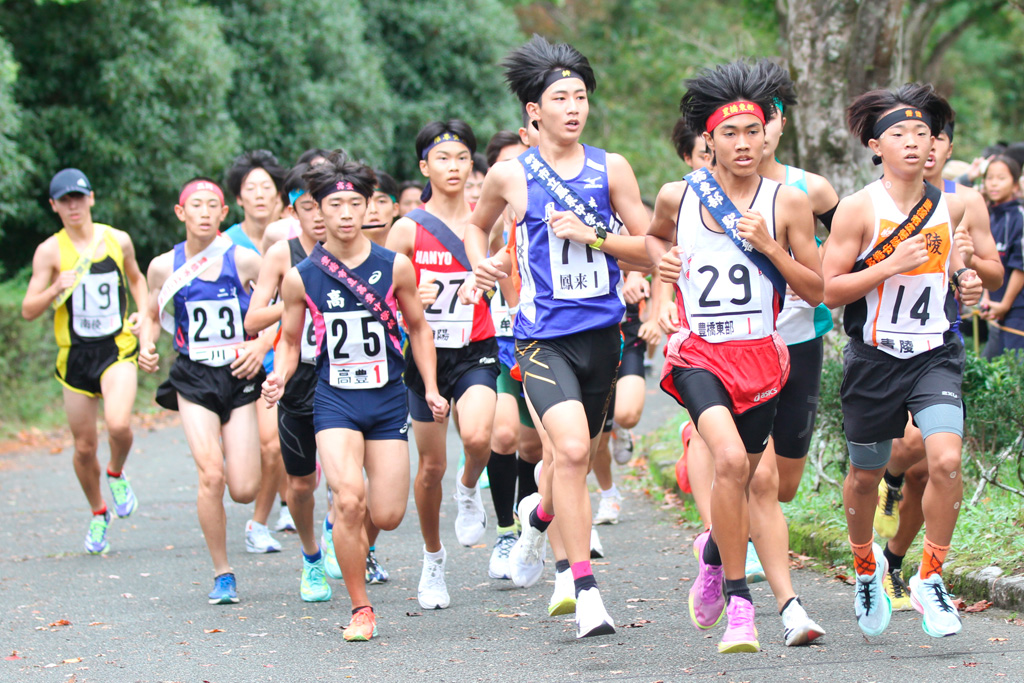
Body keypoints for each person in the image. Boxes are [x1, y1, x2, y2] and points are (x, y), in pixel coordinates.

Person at [465, 35, 652, 638]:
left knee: (568, 463)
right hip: (540, 337)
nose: (574, 107)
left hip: (602, 336)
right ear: (534, 112)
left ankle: (536, 520)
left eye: (581, 96)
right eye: (560, 97)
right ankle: (584, 589)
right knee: (569, 452)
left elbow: (651, 247)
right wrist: (484, 264)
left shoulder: (611, 167)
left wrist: (595, 238)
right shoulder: (510, 173)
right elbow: (476, 228)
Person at [646, 60, 824, 653]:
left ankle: (715, 556)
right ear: (709, 139)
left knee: (746, 472)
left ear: (768, 132)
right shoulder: (679, 195)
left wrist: (770, 244)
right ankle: (742, 606)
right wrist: (663, 283)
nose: (743, 144)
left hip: (763, 359)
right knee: (726, 459)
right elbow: (655, 240)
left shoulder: (789, 202)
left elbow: (818, 288)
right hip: (700, 354)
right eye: (730, 133)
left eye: (753, 131)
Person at [262, 151, 446, 641]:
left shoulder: (396, 267)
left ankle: (354, 546)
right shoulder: (303, 275)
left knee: (385, 513)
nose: (345, 214)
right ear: (316, 211)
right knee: (348, 500)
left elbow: (419, 329)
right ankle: (361, 607)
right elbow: (287, 340)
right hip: (335, 400)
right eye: (334, 204)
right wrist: (278, 376)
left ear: (369, 208)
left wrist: (428, 386)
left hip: (387, 400)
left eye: (354, 203)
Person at [823, 83, 982, 639]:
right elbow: (831, 290)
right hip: (875, 358)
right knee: (866, 474)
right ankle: (866, 565)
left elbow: (953, 269)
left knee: (944, 461)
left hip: (936, 353)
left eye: (922, 133)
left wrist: (966, 283)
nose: (914, 143)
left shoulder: (952, 204)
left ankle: (929, 577)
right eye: (899, 134)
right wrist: (889, 264)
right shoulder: (857, 209)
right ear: (875, 144)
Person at [872, 114, 1005, 611]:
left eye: (932, 137)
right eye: (905, 136)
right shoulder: (879, 198)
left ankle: (897, 562)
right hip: (885, 348)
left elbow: (991, 270)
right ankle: (886, 479)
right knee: (908, 446)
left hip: (942, 344)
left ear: (946, 146)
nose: (921, 146)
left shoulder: (964, 200)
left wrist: (971, 271)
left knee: (934, 469)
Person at [386, 119, 500, 608]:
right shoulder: (407, 229)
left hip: (476, 347)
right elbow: (380, 302)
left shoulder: (488, 219)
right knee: (430, 465)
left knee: (477, 438)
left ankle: (470, 485)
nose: (453, 167)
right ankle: (433, 560)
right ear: (423, 167)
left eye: (461, 158)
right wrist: (413, 299)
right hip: (425, 356)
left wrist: (495, 281)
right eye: (442, 159)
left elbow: (514, 274)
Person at [138, 178, 266, 604]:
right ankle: (223, 572)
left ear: (223, 215)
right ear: (181, 213)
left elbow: (285, 302)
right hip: (192, 377)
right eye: (197, 205)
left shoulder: (246, 260)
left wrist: (260, 345)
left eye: (214, 205)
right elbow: (152, 309)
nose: (206, 212)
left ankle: (245, 480)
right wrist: (146, 344)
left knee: (244, 487)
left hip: (239, 375)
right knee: (211, 474)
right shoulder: (163, 265)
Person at [21, 168, 148, 554]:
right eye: (64, 200)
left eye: (79, 197)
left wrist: (143, 313)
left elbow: (137, 278)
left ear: (91, 198)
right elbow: (28, 308)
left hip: (116, 348)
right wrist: (54, 288)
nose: (73, 205)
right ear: (54, 206)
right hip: (75, 357)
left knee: (119, 423)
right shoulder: (49, 251)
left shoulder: (116, 239)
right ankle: (98, 513)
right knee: (82, 448)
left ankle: (116, 472)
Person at [244, 163, 338, 601]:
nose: (319, 216)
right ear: (292, 211)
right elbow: (252, 319)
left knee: (348, 481)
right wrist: (295, 306)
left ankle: (340, 536)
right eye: (307, 207)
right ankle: (311, 556)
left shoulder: (354, 250)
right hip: (298, 377)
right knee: (301, 485)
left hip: (347, 375)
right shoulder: (282, 255)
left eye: (324, 205)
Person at [223, 150, 291, 551]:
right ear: (239, 198)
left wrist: (266, 340)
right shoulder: (224, 244)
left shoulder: (297, 238)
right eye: (252, 188)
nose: (261, 195)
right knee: (239, 476)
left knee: (273, 443)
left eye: (268, 187)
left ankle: (259, 523)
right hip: (232, 358)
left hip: (278, 351)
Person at [980, 155, 1024, 357]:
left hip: (1016, 308)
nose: (994, 183)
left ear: (1015, 185)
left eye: (1001, 178)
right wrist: (987, 300)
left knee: (1013, 371)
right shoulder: (986, 215)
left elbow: (1020, 265)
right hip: (995, 308)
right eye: (990, 178)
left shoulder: (1019, 217)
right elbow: (985, 261)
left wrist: (1005, 304)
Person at [364, 171, 400, 247]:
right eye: (365, 203)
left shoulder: (410, 253)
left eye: (381, 201)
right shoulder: (337, 256)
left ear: (395, 209)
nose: (373, 210)